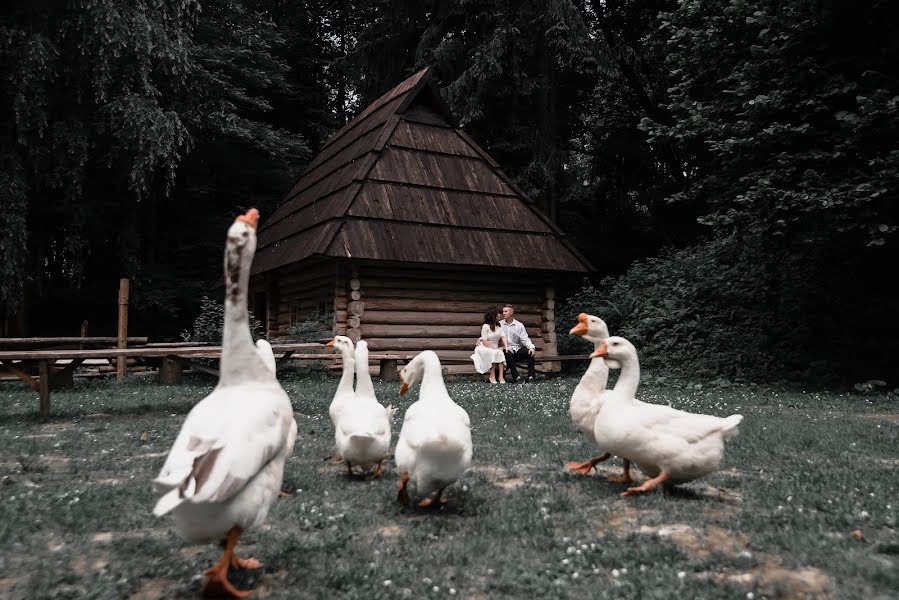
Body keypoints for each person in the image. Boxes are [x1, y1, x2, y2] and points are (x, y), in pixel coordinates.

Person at [470, 307, 510, 383]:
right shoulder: (485, 326)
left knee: (500, 352)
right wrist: (495, 348)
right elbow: (484, 341)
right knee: (494, 353)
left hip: (494, 346)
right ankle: (492, 376)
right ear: (493, 315)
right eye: (497, 313)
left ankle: (501, 377)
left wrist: (506, 346)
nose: (499, 315)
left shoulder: (499, 326)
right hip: (484, 347)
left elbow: (503, 336)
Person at [500, 304, 536, 383]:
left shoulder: (519, 325)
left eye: (506, 311)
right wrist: (481, 338)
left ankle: (531, 376)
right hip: (505, 352)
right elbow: (491, 335)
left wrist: (531, 347)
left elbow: (525, 339)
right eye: (503, 311)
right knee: (507, 352)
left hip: (517, 350)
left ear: (511, 312)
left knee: (529, 352)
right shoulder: (499, 324)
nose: (503, 313)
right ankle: (516, 377)